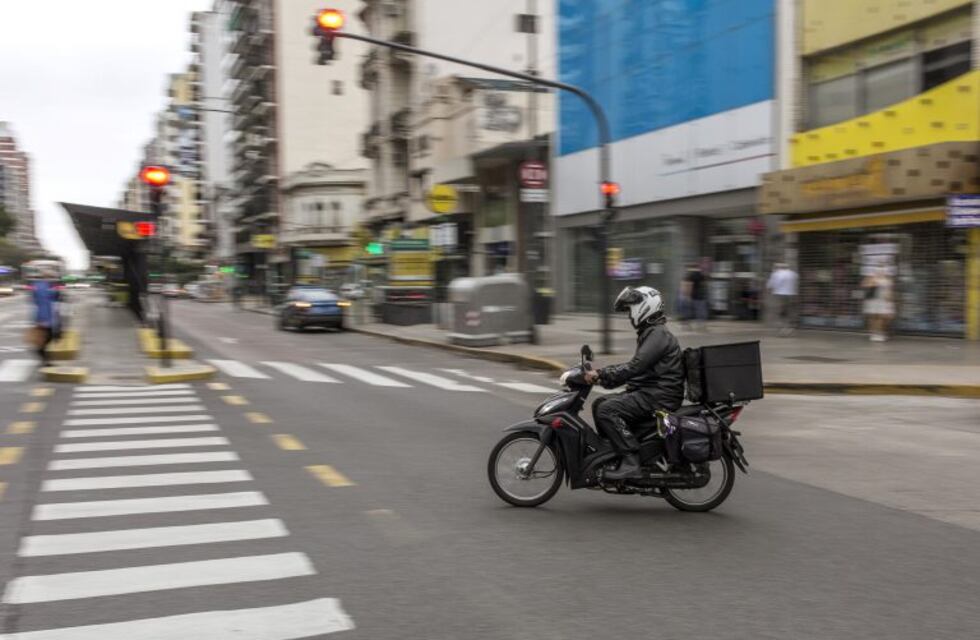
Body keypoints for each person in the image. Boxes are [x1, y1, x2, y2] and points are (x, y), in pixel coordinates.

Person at [584, 286, 685, 480]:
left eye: (631, 309)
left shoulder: (658, 335)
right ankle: (615, 454)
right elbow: (637, 371)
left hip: (658, 396)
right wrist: (605, 378)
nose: (630, 315)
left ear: (645, 307)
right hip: (652, 392)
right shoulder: (652, 332)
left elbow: (635, 367)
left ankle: (630, 460)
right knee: (600, 404)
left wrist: (602, 373)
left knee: (607, 410)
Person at [30, 268, 62, 368]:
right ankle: (44, 359)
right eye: (51, 277)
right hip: (45, 317)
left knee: (50, 338)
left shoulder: (46, 286)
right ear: (46, 277)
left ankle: (45, 359)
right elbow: (42, 302)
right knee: (48, 338)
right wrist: (41, 320)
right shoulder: (42, 287)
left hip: (48, 317)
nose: (53, 279)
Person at [863, 265, 894, 342]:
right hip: (873, 300)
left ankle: (880, 333)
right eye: (879, 270)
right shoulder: (872, 278)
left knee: (882, 317)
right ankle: (874, 334)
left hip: (883, 300)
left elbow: (889, 290)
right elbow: (865, 285)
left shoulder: (887, 280)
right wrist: (872, 283)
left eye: (883, 270)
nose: (881, 271)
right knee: (874, 317)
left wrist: (890, 300)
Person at [767, 262, 799, 335]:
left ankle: (782, 328)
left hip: (780, 295)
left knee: (780, 311)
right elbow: (796, 284)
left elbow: (771, 284)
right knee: (789, 311)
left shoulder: (777, 274)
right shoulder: (793, 274)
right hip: (792, 295)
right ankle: (790, 327)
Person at [681, 262, 708, 331]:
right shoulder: (701, 275)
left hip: (692, 296)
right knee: (700, 311)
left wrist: (687, 295)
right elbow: (704, 285)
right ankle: (701, 325)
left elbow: (689, 285)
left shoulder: (691, 275)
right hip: (701, 296)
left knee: (688, 311)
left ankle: (686, 325)